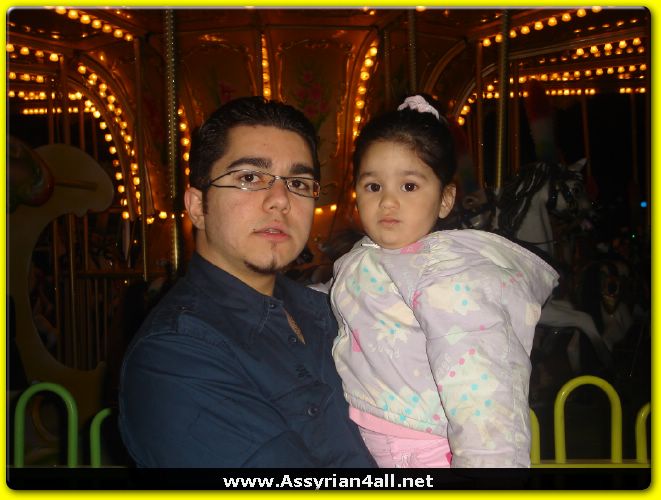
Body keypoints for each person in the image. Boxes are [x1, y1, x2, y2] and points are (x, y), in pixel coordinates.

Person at [119, 96, 375, 468]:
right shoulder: (174, 357)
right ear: (197, 206)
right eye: (249, 177)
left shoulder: (331, 307)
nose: (280, 200)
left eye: (298, 183)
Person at [330, 95, 559, 468]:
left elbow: (483, 386)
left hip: (426, 453)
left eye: (409, 186)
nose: (387, 202)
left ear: (445, 199)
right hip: (377, 442)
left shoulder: (448, 276)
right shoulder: (366, 255)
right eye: (373, 186)